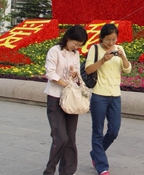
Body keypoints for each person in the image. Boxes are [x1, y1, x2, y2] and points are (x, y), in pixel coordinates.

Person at [85, 24, 132, 175]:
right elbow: (88, 69)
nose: (111, 43)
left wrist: (123, 56)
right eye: (108, 40)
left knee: (113, 130)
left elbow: (127, 69)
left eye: (114, 39)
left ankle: (96, 153)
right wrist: (103, 60)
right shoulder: (95, 49)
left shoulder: (119, 48)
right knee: (97, 131)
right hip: (99, 94)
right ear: (101, 38)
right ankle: (102, 166)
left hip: (115, 95)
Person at [43, 25, 88, 175]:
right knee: (60, 137)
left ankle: (68, 171)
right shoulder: (55, 51)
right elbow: (50, 73)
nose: (77, 47)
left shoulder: (75, 54)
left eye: (80, 45)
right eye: (76, 43)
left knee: (70, 138)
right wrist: (66, 84)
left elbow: (76, 76)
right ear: (68, 38)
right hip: (55, 98)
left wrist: (74, 75)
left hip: (70, 100)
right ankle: (49, 171)